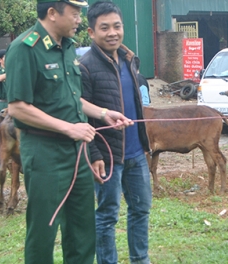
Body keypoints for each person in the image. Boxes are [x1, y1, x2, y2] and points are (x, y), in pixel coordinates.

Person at [4, 1, 133, 263]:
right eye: (74, 14)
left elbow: (72, 100)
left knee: (82, 228)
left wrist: (103, 113)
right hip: (44, 151)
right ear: (52, 13)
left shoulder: (68, 46)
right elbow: (18, 107)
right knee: (44, 229)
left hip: (77, 151)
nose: (78, 20)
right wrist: (68, 128)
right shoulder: (25, 48)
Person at [79, 2, 152, 264]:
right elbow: (81, 113)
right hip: (108, 154)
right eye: (104, 28)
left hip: (136, 152)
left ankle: (140, 259)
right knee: (107, 215)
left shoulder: (130, 59)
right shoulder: (85, 65)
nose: (112, 32)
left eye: (117, 26)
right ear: (91, 32)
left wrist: (144, 144)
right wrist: (94, 152)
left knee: (141, 209)